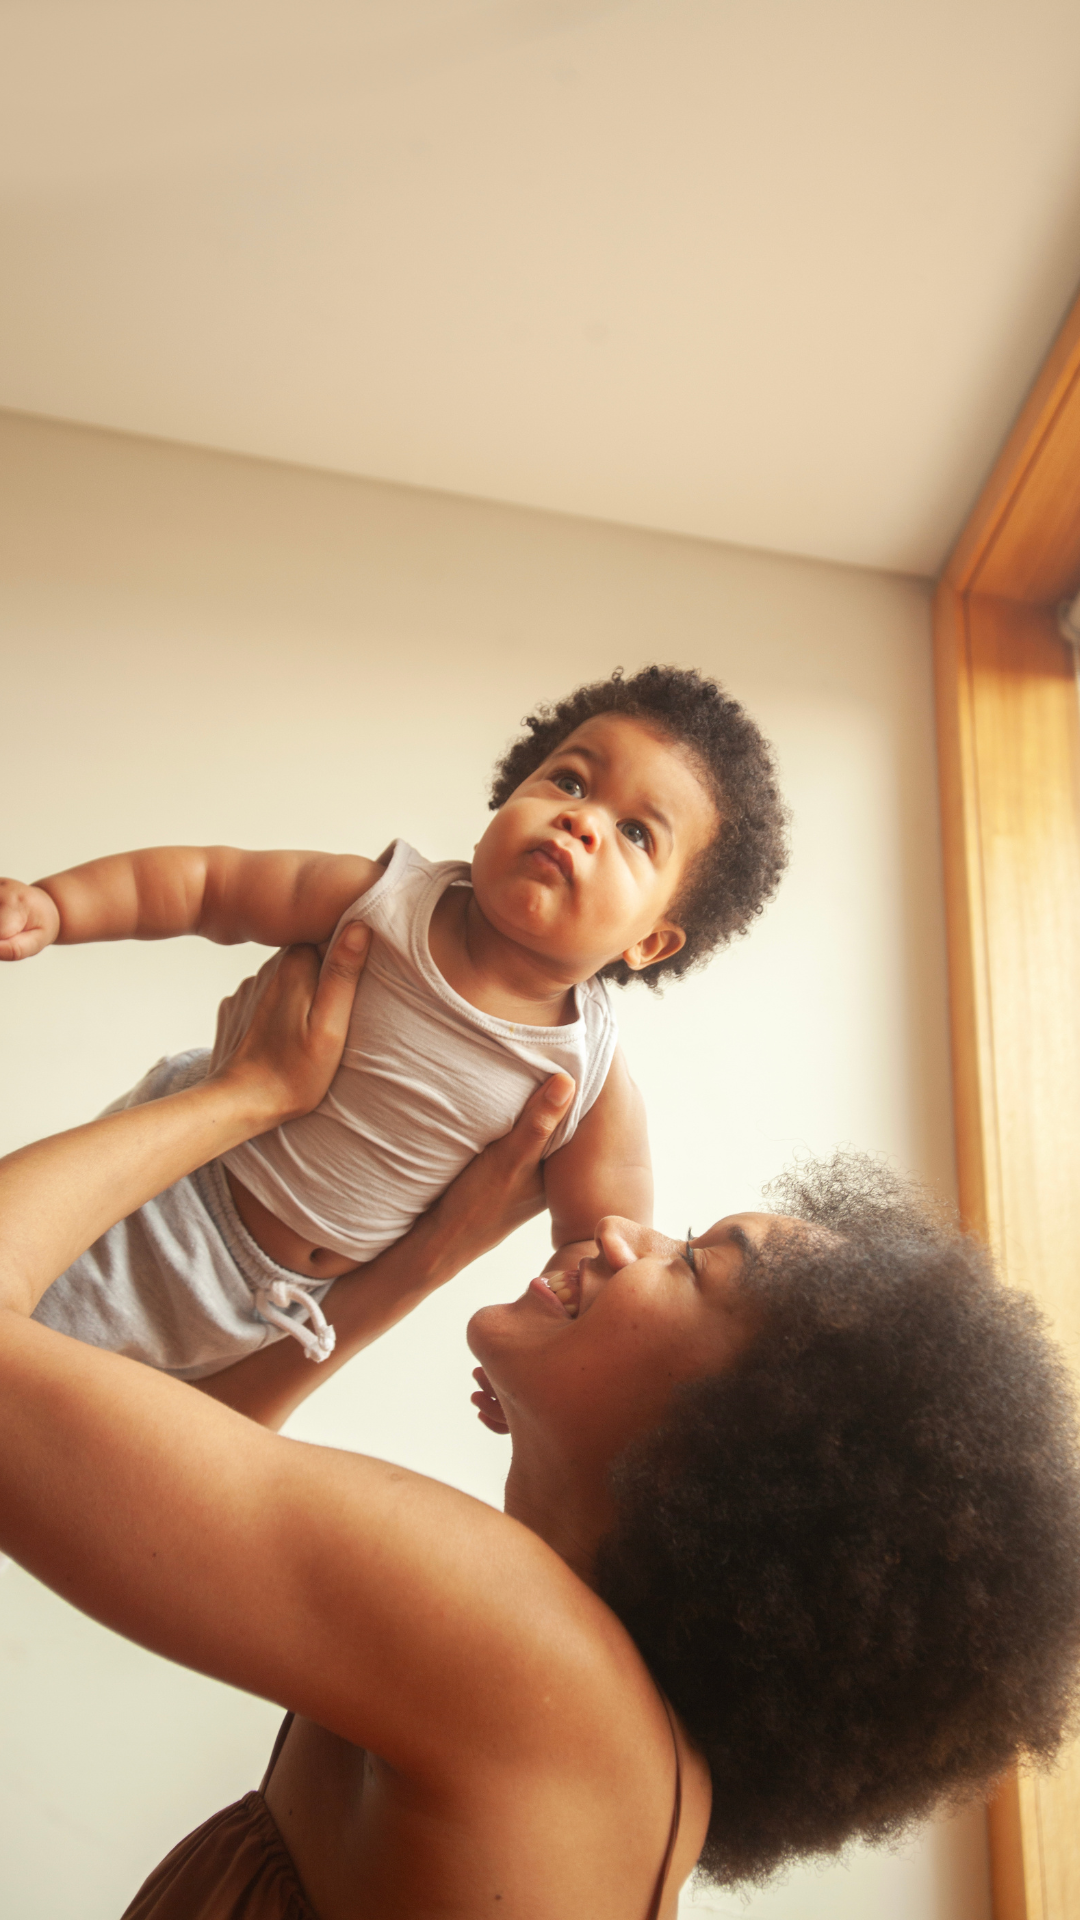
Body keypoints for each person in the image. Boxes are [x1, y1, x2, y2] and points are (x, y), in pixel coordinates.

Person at [3, 947, 1079, 1919]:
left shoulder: (516, 1651)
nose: (623, 1232)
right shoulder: (587, 1709)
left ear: (756, 1455)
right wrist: (417, 1262)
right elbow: (154, 1450)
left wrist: (247, 1094)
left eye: (695, 1260)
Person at [0, 664, 787, 1380]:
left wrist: (547, 1355)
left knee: (82, 1436)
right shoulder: (381, 901)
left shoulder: (589, 1081)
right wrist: (56, 907)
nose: (582, 822)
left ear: (649, 940)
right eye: (571, 782)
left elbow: (598, 1246)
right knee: (24, 1361)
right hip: (167, 1188)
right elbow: (208, 886)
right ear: (506, 800)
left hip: (274, 1308)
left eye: (636, 833)